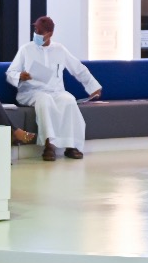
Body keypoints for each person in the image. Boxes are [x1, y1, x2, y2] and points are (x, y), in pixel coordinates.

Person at [6, 16, 101, 161]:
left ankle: (71, 145)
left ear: (50, 33)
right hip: (31, 92)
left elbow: (78, 69)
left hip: (56, 92)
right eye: (35, 30)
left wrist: (93, 87)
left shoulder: (59, 50)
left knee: (69, 100)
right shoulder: (26, 49)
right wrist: (20, 76)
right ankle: (49, 145)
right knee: (45, 100)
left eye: (40, 32)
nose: (36, 34)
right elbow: (10, 73)